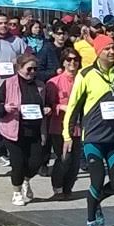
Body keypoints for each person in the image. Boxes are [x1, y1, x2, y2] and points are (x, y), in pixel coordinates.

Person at [62, 34, 114, 226]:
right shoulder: (86, 74)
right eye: (107, 49)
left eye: (113, 48)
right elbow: (73, 107)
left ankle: (96, 201)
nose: (112, 52)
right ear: (98, 52)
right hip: (93, 138)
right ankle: (91, 222)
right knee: (97, 179)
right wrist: (67, 135)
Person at [0, 53, 48, 206]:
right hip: (14, 130)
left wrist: (47, 109)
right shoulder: (9, 83)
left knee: (36, 162)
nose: (32, 72)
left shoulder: (40, 85)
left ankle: (26, 180)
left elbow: (45, 104)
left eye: (35, 69)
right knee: (18, 163)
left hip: (35, 130)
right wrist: (4, 108)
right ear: (19, 68)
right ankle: (17, 192)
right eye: (29, 69)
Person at [44, 50, 82, 199]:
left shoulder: (83, 79)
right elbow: (48, 105)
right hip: (59, 126)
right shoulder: (54, 82)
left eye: (75, 59)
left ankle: (68, 189)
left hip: (78, 127)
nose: (72, 62)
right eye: (68, 59)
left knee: (75, 162)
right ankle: (58, 188)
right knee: (64, 158)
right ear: (63, 62)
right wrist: (61, 107)